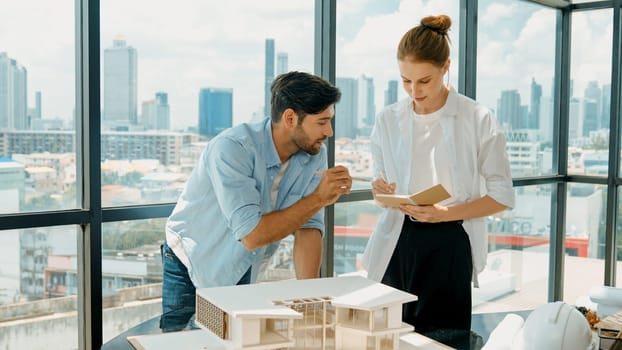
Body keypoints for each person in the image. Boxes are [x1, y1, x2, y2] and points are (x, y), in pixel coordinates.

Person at [161, 71, 352, 332]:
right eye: (322, 122)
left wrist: (311, 302)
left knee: (230, 339)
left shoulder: (314, 153)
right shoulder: (232, 148)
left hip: (244, 260)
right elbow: (252, 234)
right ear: (290, 118)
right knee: (178, 342)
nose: (329, 131)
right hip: (193, 257)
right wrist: (318, 198)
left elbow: (308, 226)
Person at [362, 15, 515, 338]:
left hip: (449, 243)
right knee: (389, 338)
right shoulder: (387, 119)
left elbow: (502, 195)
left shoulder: (478, 118)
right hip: (397, 243)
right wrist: (380, 189)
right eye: (406, 81)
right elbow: (380, 186)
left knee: (445, 340)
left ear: (446, 66)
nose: (414, 91)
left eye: (424, 81)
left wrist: (446, 213)